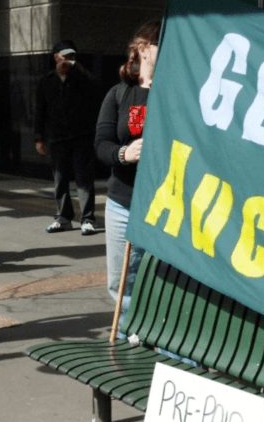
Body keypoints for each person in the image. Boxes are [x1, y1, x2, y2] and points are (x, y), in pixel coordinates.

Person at [95, 20, 160, 317]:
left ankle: (157, 337)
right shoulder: (120, 94)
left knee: (161, 282)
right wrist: (124, 153)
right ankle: (126, 336)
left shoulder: (179, 94)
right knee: (122, 283)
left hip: (164, 206)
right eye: (163, 43)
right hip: (123, 203)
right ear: (143, 49)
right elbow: (101, 144)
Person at [34, 40, 100, 236]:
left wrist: (76, 68)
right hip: (57, 137)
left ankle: (87, 219)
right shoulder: (47, 80)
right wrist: (39, 137)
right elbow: (40, 111)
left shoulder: (81, 77)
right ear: (56, 56)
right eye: (65, 56)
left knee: (84, 177)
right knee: (60, 179)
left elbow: (96, 87)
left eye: (72, 57)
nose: (69, 60)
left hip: (81, 135)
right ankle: (63, 217)